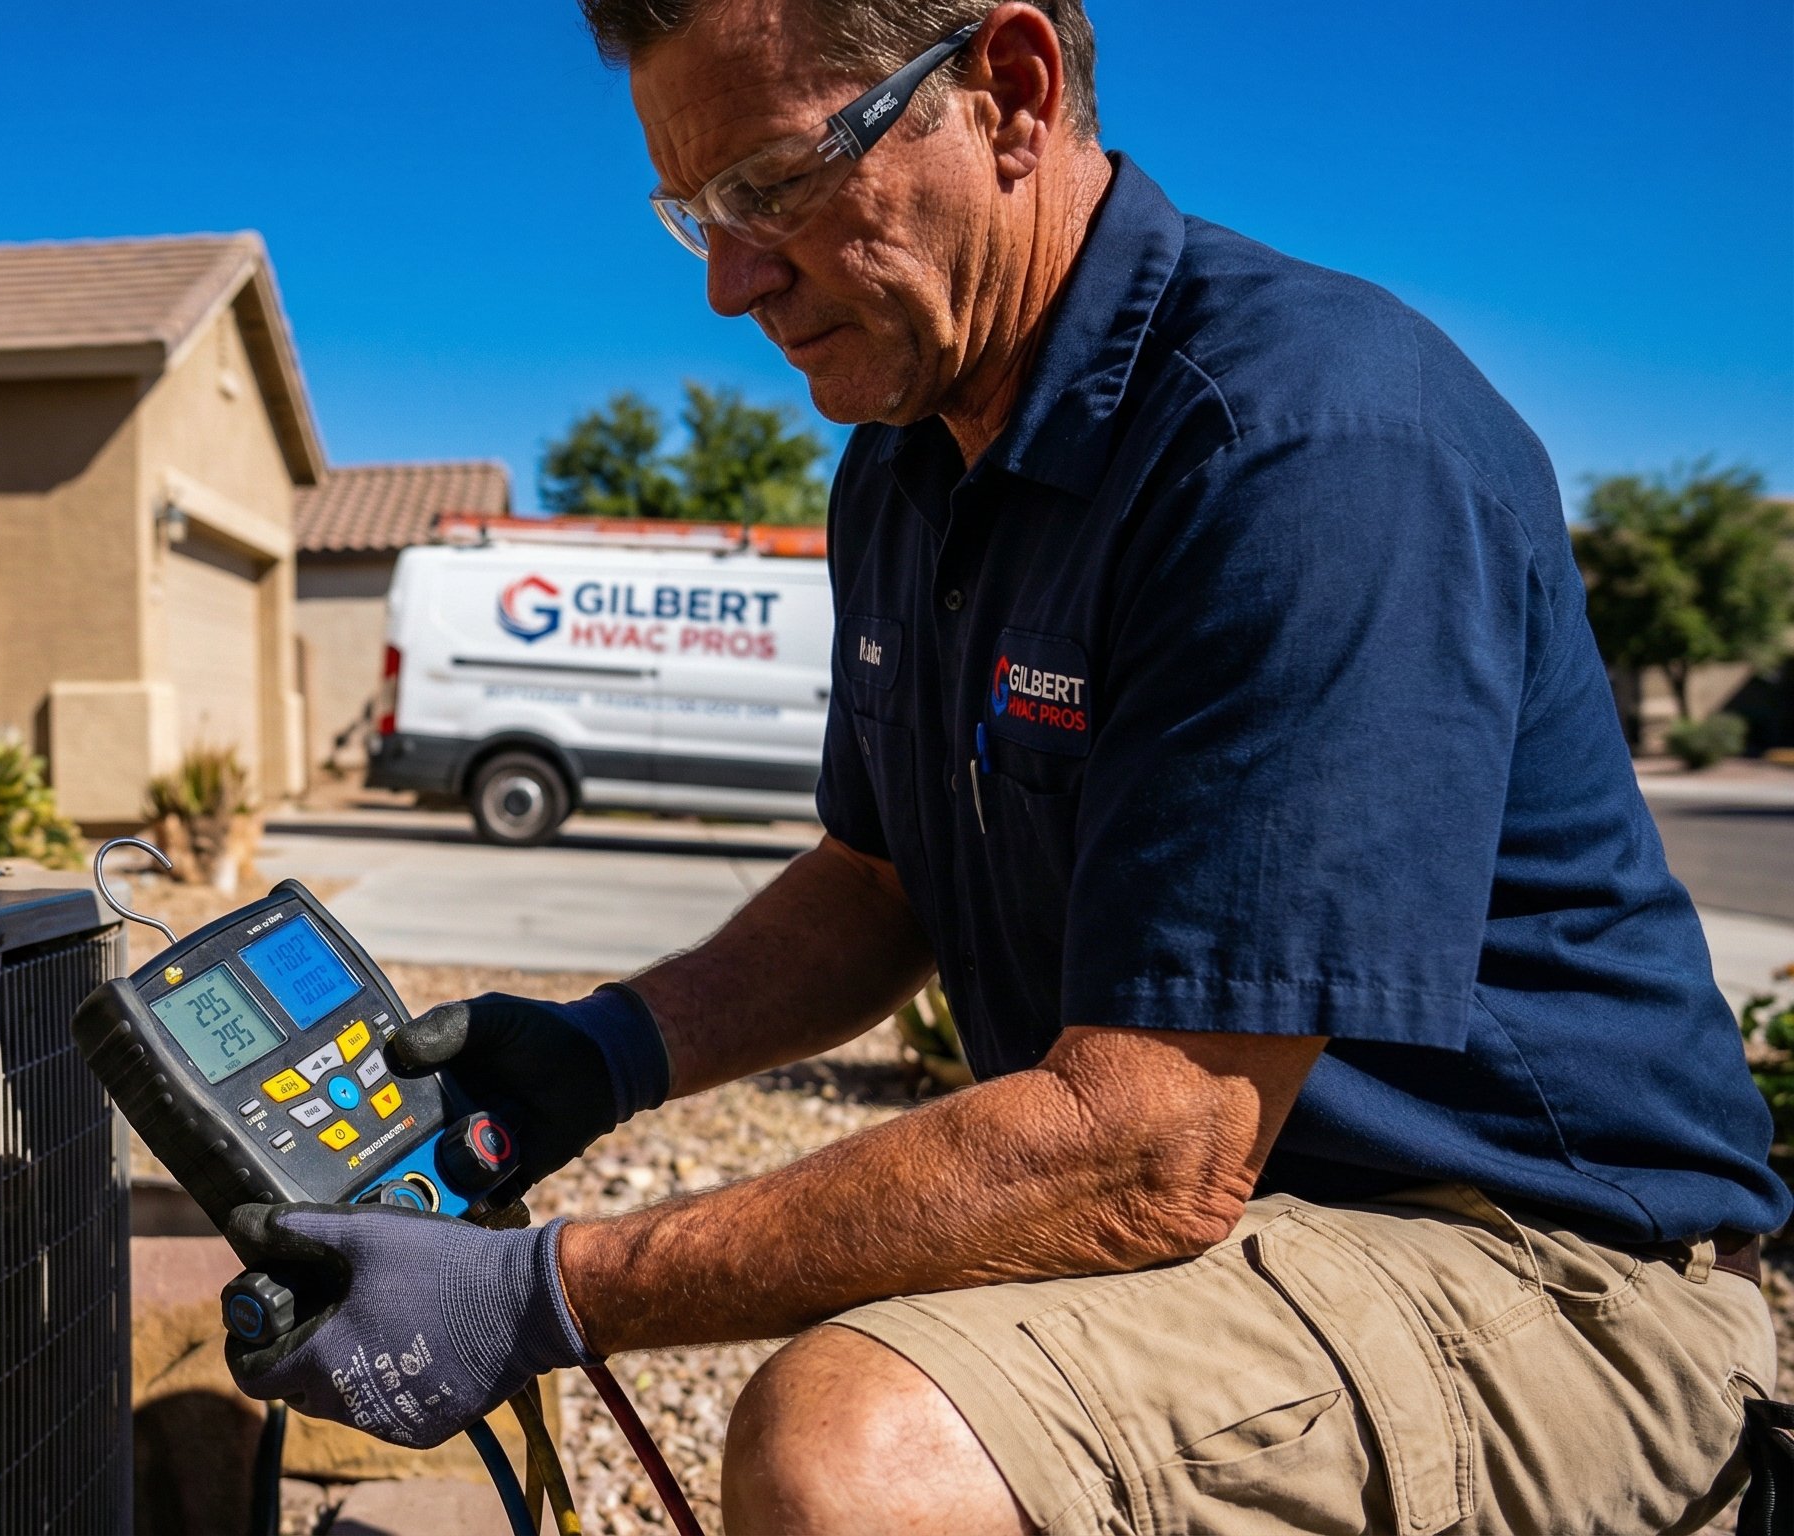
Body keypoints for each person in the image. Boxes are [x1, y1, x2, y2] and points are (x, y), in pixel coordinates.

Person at [221, 2, 1790, 1530]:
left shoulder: (1297, 444)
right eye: (693, 210)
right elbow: (875, 882)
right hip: (1259, 1222)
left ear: (1013, 91)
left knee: (856, 1447)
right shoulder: (904, 468)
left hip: (1542, 1268)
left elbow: (1152, 1138)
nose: (731, 281)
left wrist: (547, 1294)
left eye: (772, 184)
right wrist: (605, 1052)